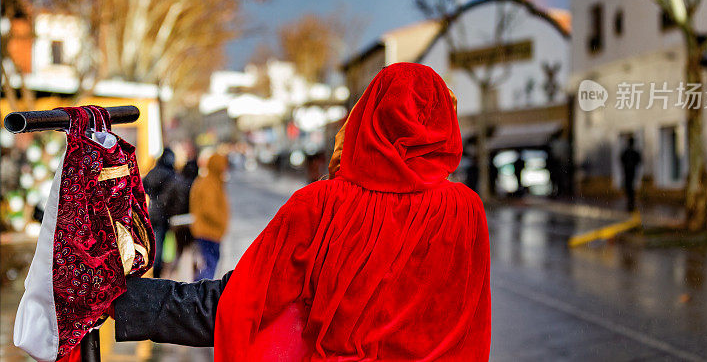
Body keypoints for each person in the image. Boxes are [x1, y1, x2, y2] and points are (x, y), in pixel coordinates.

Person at [110, 63, 491, 361]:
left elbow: (237, 306)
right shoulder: (467, 212)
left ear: (367, 118)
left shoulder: (321, 207)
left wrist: (115, 297)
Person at [189, 153, 230, 280]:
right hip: (208, 232)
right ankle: (201, 298)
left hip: (208, 231)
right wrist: (221, 223)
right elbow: (209, 210)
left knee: (206, 266)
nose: (225, 168)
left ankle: (200, 295)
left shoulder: (212, 181)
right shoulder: (209, 183)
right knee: (208, 268)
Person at [142, 148, 179, 278]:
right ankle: (159, 270)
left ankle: (153, 267)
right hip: (165, 214)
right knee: (164, 244)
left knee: (154, 242)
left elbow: (142, 185)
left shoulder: (153, 172)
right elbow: (173, 195)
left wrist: (153, 196)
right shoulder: (171, 174)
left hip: (151, 211)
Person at [620, 137, 642, 212]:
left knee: (630, 187)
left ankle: (631, 202)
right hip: (629, 173)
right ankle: (630, 202)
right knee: (629, 187)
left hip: (630, 173)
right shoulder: (628, 152)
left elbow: (639, 160)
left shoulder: (631, 152)